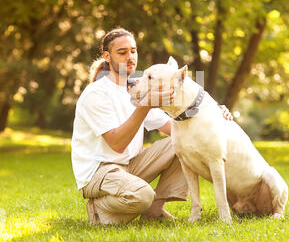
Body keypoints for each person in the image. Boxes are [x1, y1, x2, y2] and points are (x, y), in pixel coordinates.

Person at [71, 27, 232, 225]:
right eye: (122, 52)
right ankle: (99, 209)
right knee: (143, 196)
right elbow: (117, 144)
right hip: (100, 171)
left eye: (133, 51)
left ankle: (154, 210)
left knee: (181, 142)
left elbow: (175, 128)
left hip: (131, 165)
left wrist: (214, 112)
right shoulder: (97, 93)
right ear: (107, 56)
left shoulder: (137, 90)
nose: (130, 57)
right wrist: (146, 105)